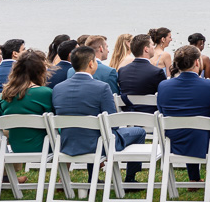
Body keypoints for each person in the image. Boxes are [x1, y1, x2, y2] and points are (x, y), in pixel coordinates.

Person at [52, 46, 146, 182]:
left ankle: (93, 179)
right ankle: (130, 179)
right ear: (91, 63)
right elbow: (112, 122)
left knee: (94, 132)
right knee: (138, 132)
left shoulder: (58, 88)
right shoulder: (101, 87)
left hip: (68, 143)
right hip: (98, 145)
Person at [157, 46, 210, 182]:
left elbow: (162, 112)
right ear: (197, 62)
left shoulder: (163, 86)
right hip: (205, 143)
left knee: (188, 127)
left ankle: (194, 178)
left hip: (173, 142)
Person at [0, 50, 54, 154]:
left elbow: (2, 121)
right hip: (44, 147)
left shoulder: (6, 94)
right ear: (40, 71)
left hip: (16, 147)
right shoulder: (45, 93)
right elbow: (55, 121)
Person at [117, 34, 165, 112]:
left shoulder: (122, 71)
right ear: (146, 49)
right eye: (152, 45)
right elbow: (164, 97)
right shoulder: (157, 72)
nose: (154, 47)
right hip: (150, 118)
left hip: (127, 117)